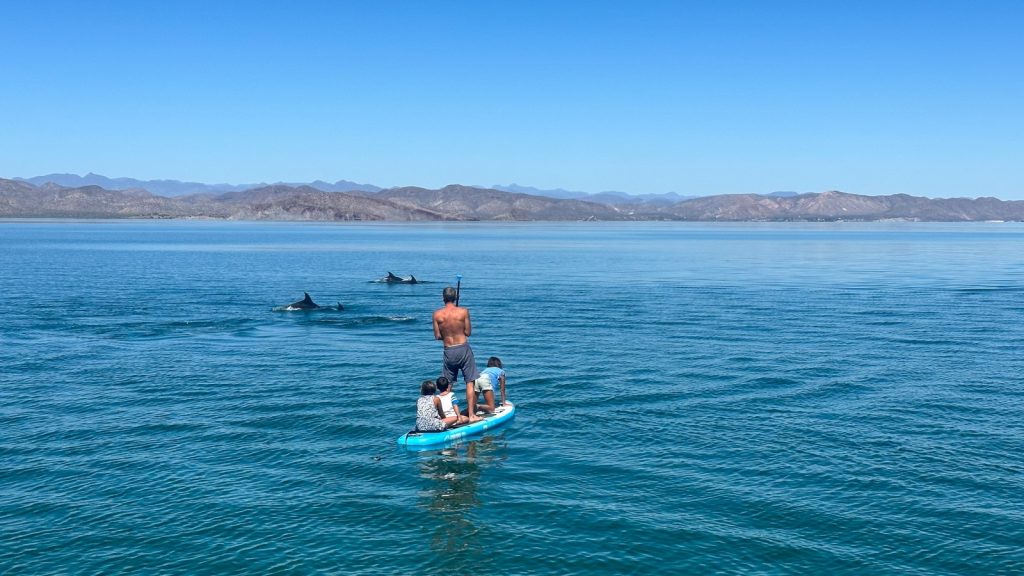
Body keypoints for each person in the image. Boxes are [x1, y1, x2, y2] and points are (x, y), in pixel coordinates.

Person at [432, 286, 483, 422]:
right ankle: (471, 415)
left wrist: (448, 333)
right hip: (463, 349)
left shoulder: (437, 315)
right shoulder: (463, 312)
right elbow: (468, 332)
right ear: (456, 297)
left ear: (443, 298)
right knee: (470, 382)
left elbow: (437, 336)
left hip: (449, 350)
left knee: (447, 385)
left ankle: (446, 416)